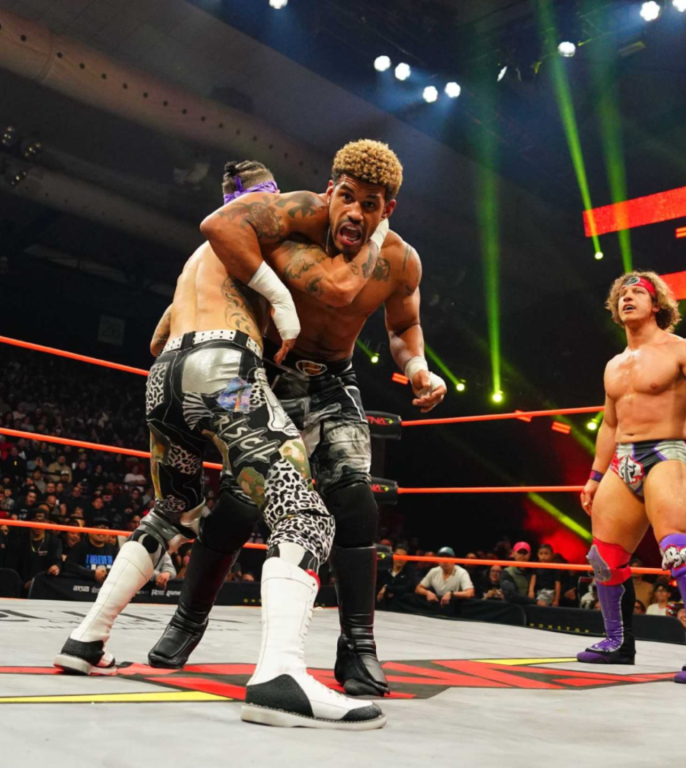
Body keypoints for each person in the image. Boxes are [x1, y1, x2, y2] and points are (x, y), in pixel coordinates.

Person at [54, 142, 397, 731]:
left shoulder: (197, 262)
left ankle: (86, 638)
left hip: (165, 381)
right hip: (225, 371)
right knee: (306, 512)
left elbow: (158, 340)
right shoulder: (270, 242)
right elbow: (337, 288)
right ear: (266, 204)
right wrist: (280, 306)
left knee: (175, 510)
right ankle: (280, 675)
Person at [149, 148, 445, 699]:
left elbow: (404, 327)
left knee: (355, 500)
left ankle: (359, 646)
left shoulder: (401, 261)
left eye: (370, 204)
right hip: (265, 370)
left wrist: (417, 368)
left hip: (333, 381)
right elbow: (222, 231)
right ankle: (187, 622)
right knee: (240, 501)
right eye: (347, 197)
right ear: (330, 192)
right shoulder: (293, 217)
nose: (354, 212)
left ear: (387, 210)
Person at [577, 271, 686, 687]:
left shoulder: (683, 349)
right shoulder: (614, 365)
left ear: (657, 305)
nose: (628, 298)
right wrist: (595, 476)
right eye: (622, 294)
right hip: (622, 460)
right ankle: (617, 642)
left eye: (638, 292)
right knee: (604, 557)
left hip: (665, 453)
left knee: (680, 551)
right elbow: (610, 424)